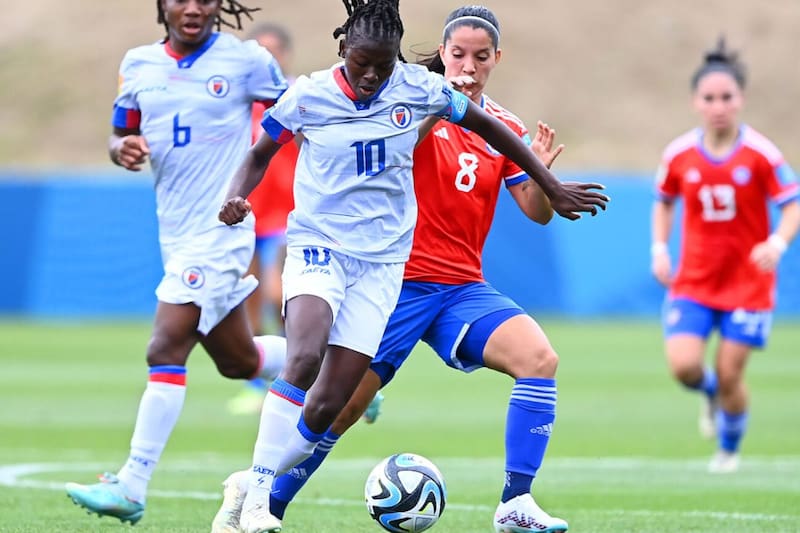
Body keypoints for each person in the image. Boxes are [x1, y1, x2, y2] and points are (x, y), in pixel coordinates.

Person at [215, 1, 608, 531]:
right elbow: (370, 143)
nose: (468, 66)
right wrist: (422, 115)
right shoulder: (409, 102)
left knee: (539, 358)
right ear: (441, 54)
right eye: (458, 54)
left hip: (460, 287)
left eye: (480, 57)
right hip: (394, 278)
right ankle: (264, 494)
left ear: (496, 59)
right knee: (339, 406)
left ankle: (516, 503)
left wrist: (543, 180)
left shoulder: (503, 126)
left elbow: (534, 215)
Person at [63, 0, 291, 525]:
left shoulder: (247, 60)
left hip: (224, 227)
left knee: (165, 343)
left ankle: (132, 485)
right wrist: (121, 148)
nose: (193, 8)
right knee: (239, 362)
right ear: (163, 5)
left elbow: (302, 113)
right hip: (177, 232)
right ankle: (333, 371)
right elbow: (119, 133)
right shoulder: (139, 63)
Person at [651, 37, 800, 474]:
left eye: (727, 97)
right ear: (696, 102)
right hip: (694, 280)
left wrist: (777, 242)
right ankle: (710, 393)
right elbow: (663, 201)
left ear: (741, 100)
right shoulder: (678, 154)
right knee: (684, 367)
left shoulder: (762, 155)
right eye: (710, 98)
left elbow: (792, 204)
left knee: (732, 371)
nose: (718, 106)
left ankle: (729, 448)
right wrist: (660, 247)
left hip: (747, 284)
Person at [229, 22, 299, 415]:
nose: (266, 58)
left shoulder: (295, 96)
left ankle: (302, 377)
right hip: (246, 213)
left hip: (288, 214)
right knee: (249, 300)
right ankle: (259, 386)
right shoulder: (240, 101)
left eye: (272, 50)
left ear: (284, 55)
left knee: (281, 296)